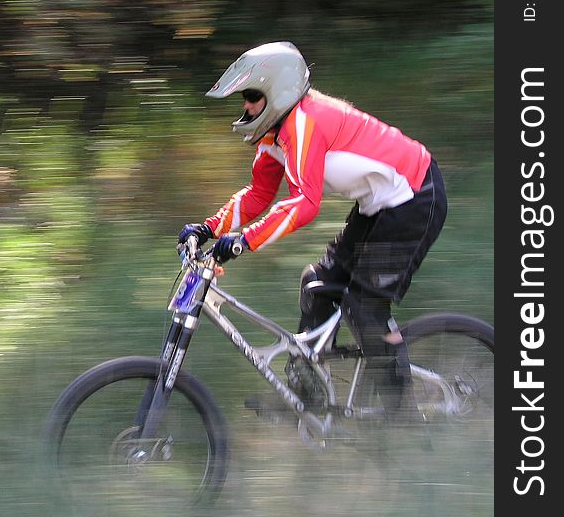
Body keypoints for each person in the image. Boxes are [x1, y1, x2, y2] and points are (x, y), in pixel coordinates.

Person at [178, 41, 447, 418]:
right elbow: (258, 195)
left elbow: (305, 204)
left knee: (365, 307)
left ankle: (401, 417)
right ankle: (310, 395)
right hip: (378, 204)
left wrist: (244, 241)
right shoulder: (274, 135)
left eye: (252, 96)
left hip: (416, 196)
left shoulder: (305, 122)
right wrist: (207, 228)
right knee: (317, 285)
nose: (245, 105)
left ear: (277, 93)